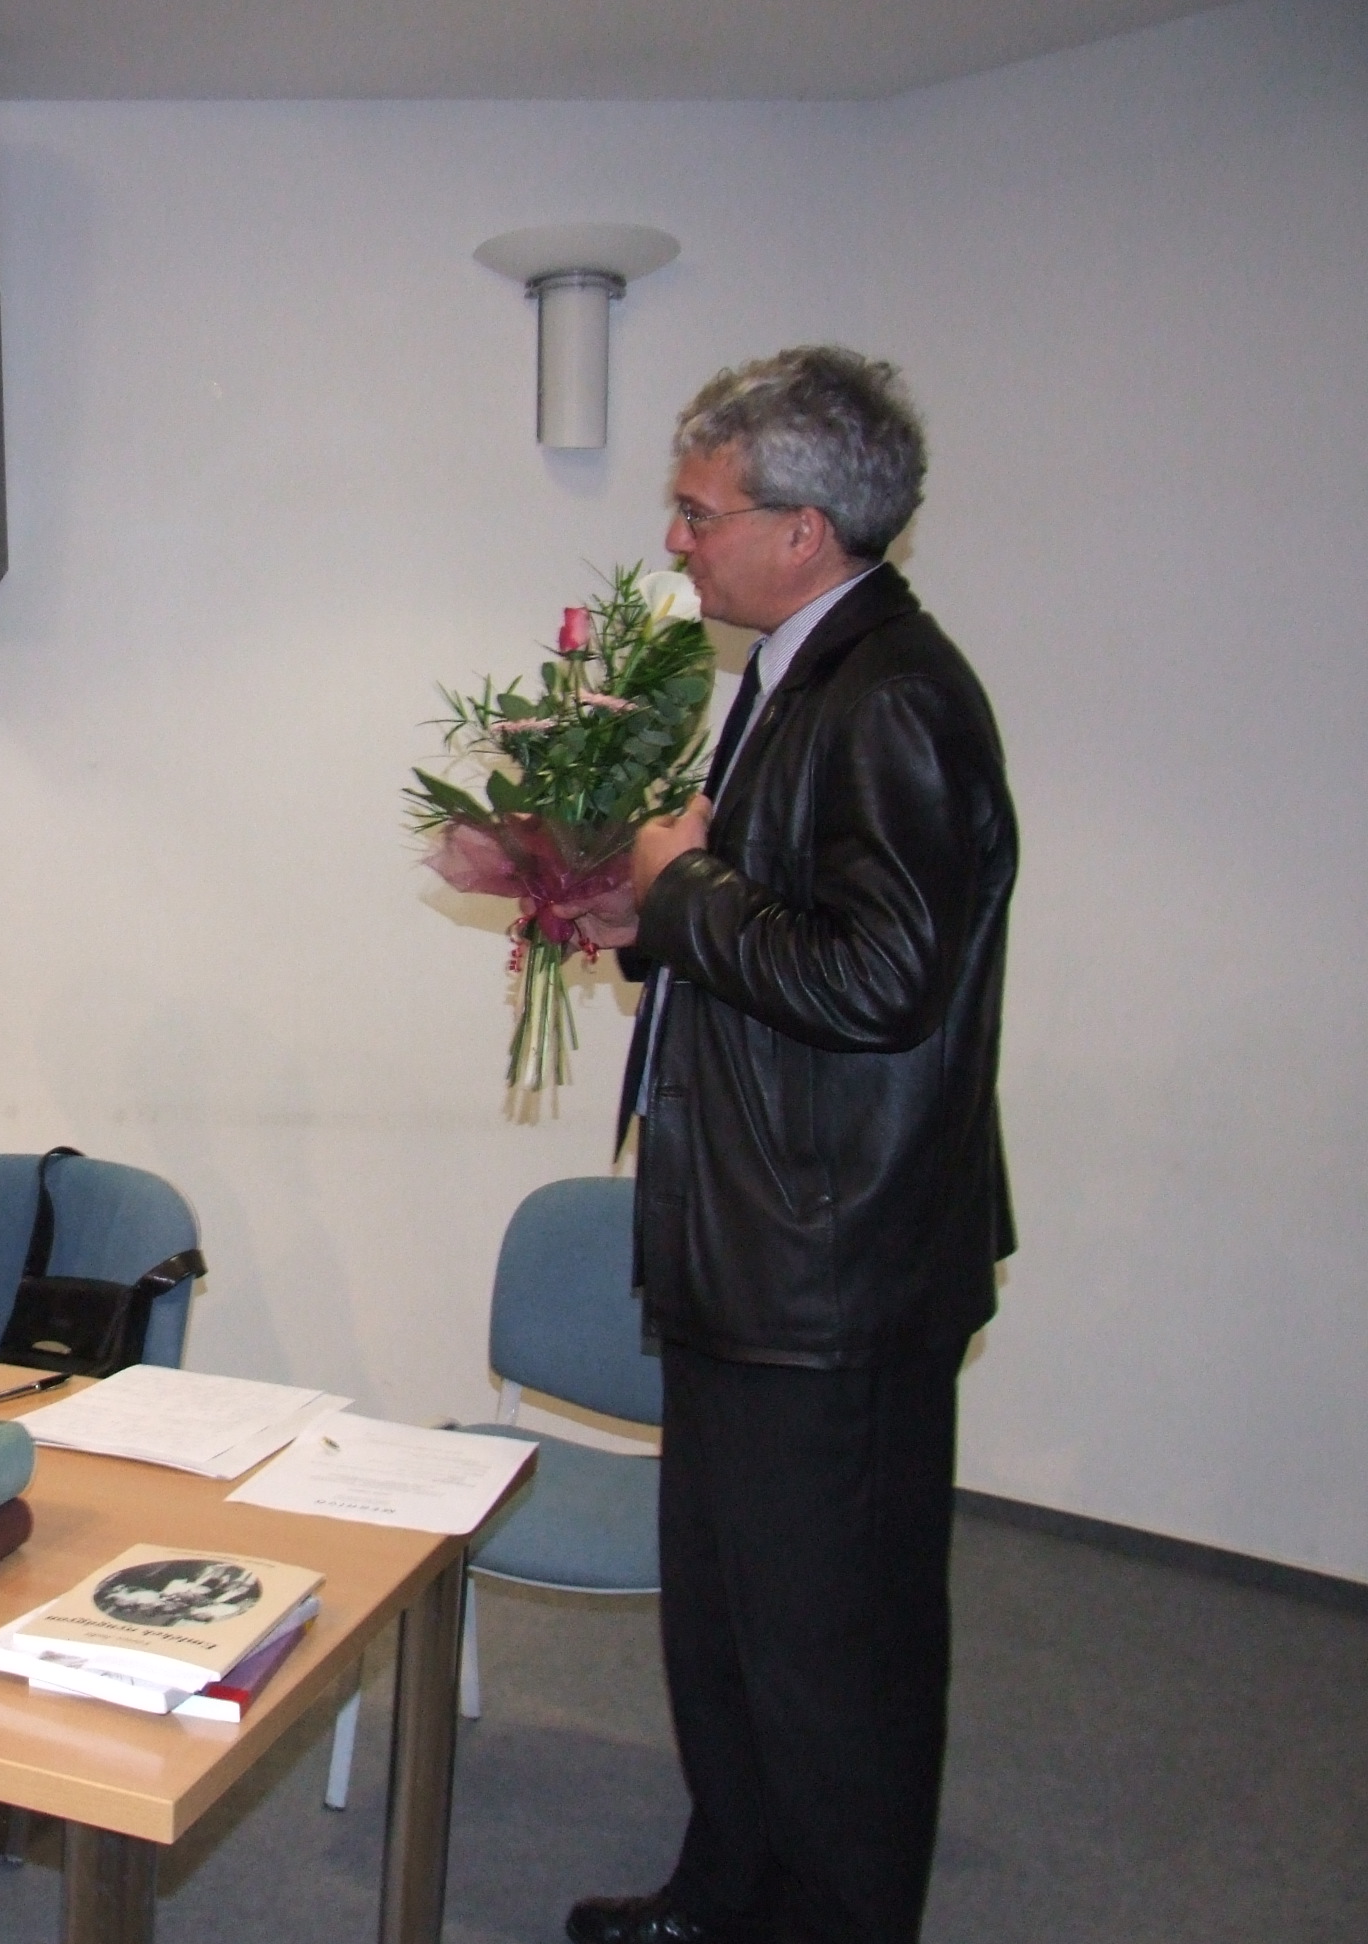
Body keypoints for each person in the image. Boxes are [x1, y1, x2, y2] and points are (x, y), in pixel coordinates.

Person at [585, 349, 1018, 1944]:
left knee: (837, 1668)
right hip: (757, 1250)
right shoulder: (801, 668)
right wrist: (654, 917)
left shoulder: (896, 694)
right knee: (732, 1637)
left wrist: (683, 893)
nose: (677, 539)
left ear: (804, 530)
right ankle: (724, 1898)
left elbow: (881, 978)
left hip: (832, 1276)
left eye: (698, 511)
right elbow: (780, 919)